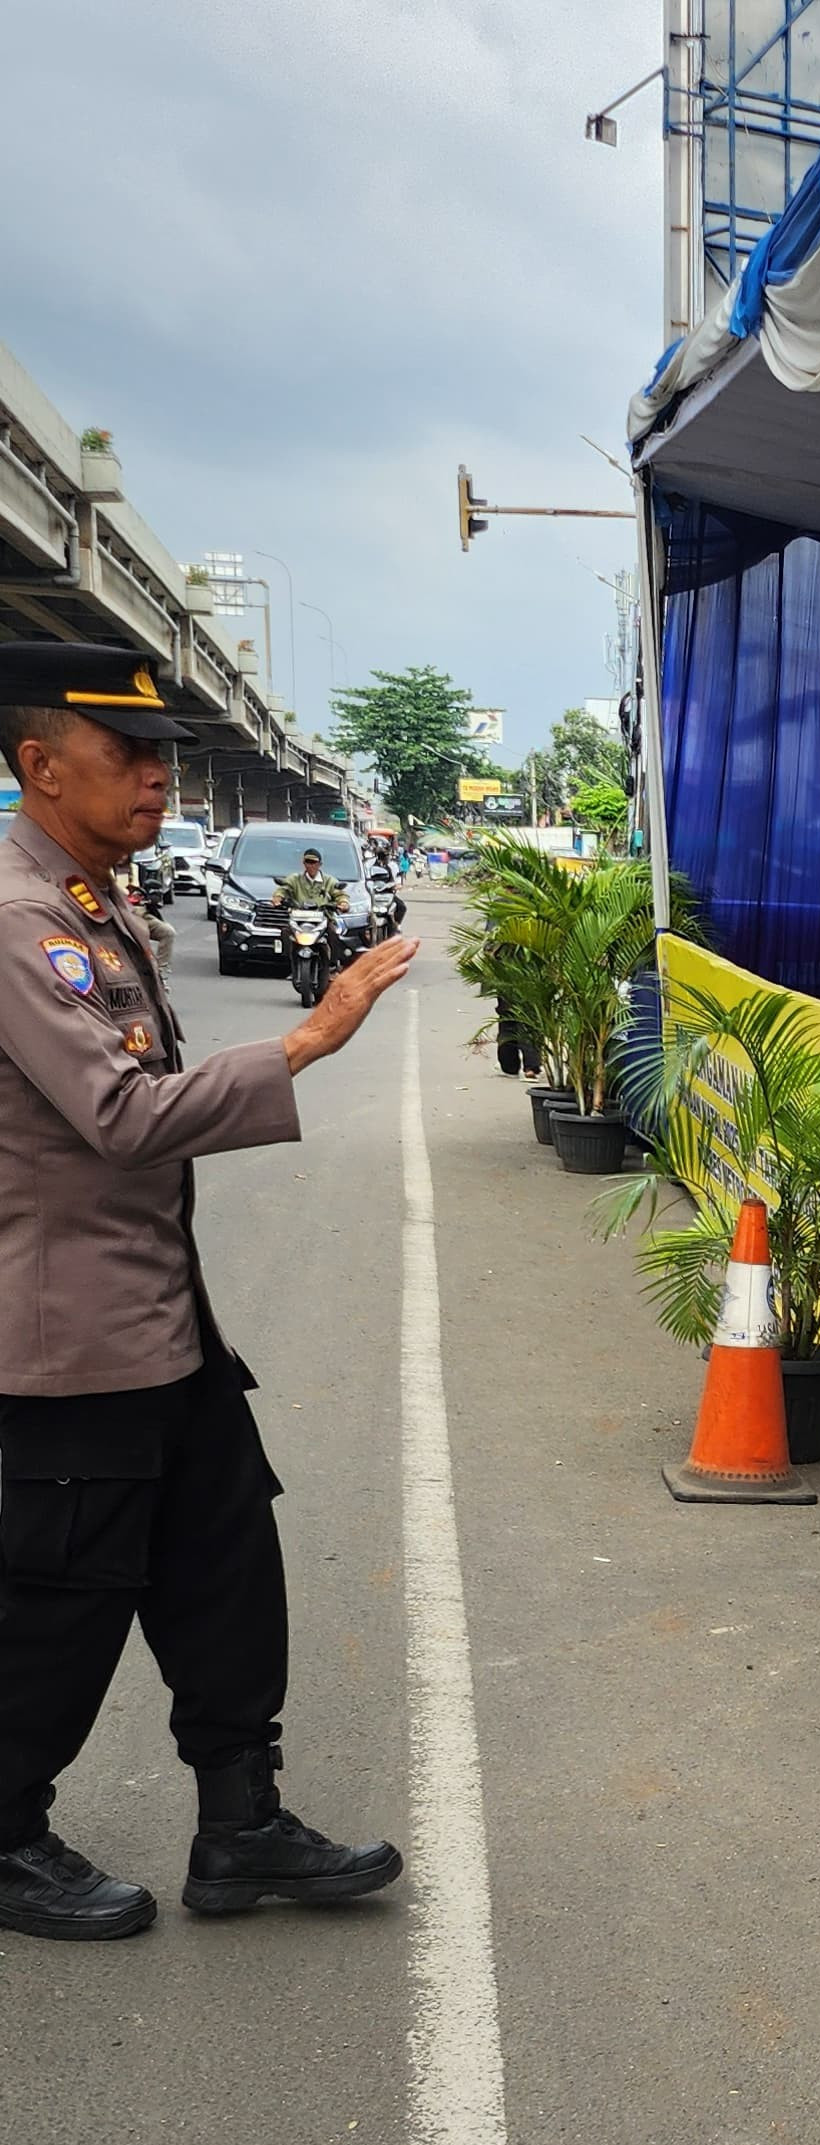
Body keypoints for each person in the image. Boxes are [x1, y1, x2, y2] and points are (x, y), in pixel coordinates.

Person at [0, 643, 417, 1941]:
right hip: (67, 1341)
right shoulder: (22, 924)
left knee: (226, 1564)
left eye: (163, 751)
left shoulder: (99, 903)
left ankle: (240, 1821)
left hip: (163, 1323)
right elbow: (121, 1118)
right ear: (37, 763)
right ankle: (5, 1831)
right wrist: (304, 1037)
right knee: (61, 1606)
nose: (156, 774)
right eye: (125, 751)